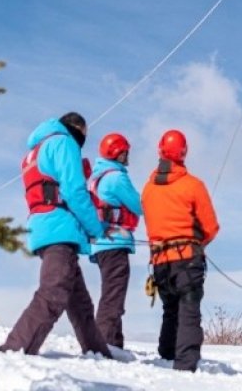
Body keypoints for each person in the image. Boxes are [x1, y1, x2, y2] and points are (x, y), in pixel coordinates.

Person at [0, 112, 113, 359]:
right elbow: (74, 190)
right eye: (84, 136)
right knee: (54, 290)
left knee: (79, 302)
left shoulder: (37, 149)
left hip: (43, 225)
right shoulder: (63, 142)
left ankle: (98, 352)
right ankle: (14, 350)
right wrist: (96, 229)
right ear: (78, 130)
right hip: (59, 227)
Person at [141, 129, 220, 372]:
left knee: (170, 308)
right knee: (188, 308)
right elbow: (211, 226)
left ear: (160, 150)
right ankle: (185, 364)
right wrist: (198, 243)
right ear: (184, 152)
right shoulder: (193, 186)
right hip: (187, 258)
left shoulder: (148, 189)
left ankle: (167, 354)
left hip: (160, 260)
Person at [87, 132, 143, 350]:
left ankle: (115, 345)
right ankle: (104, 345)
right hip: (114, 241)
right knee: (113, 297)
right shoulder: (116, 177)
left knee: (111, 293)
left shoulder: (96, 176)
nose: (128, 155)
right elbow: (138, 205)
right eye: (125, 151)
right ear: (117, 153)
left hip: (100, 243)